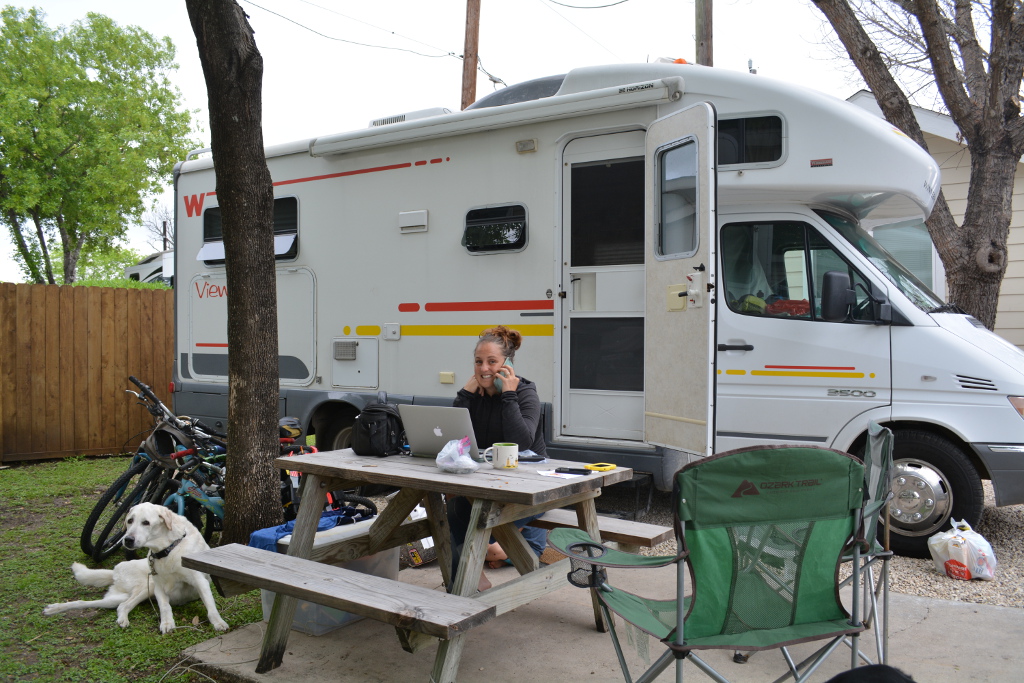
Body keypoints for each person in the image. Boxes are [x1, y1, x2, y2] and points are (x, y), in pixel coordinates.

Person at [448, 325, 548, 590]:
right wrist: (464, 396)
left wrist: (508, 395)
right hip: (490, 483)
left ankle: (464, 583)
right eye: (479, 362)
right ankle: (468, 582)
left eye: (492, 362)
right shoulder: (474, 395)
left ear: (508, 364)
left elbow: (522, 441)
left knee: (473, 514)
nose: (483, 369)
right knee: (454, 509)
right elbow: (454, 439)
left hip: (531, 486)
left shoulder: (525, 392)